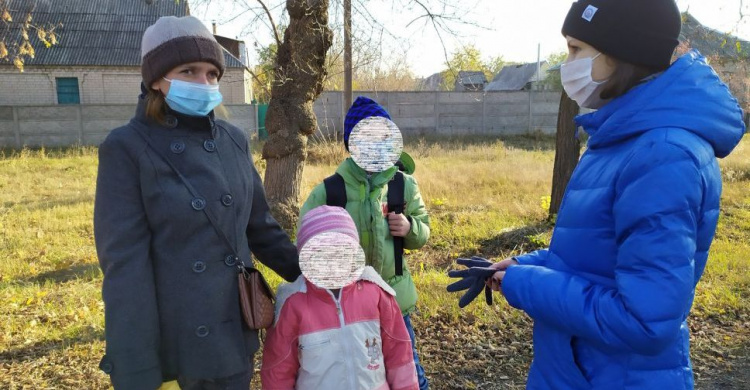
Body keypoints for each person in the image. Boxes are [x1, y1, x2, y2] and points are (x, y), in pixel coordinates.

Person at [450, 0, 746, 389]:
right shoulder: (618, 140)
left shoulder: (663, 156)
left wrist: (526, 283)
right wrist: (520, 264)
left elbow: (644, 321)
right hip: (577, 371)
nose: (565, 64)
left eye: (575, 49)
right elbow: (595, 257)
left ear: (619, 54)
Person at [94, 16, 300, 390]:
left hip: (235, 331)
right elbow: (125, 271)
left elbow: (260, 229)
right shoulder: (125, 148)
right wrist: (138, 372)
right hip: (176, 349)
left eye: (212, 74)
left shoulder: (234, 140)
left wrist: (319, 274)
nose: (204, 83)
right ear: (156, 79)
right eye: (188, 71)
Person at [299, 96, 431, 389]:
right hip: (348, 303)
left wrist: (410, 227)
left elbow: (424, 231)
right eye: (368, 138)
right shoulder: (331, 190)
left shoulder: (403, 185)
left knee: (407, 367)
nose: (377, 145)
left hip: (395, 298)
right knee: (361, 368)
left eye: (383, 137)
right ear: (352, 145)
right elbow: (305, 235)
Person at [261, 205, 418, 390]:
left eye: (341, 252)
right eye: (322, 255)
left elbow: (400, 355)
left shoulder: (376, 294)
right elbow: (278, 369)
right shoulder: (293, 304)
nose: (333, 262)